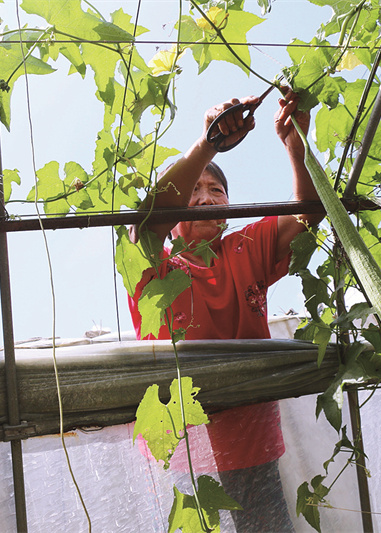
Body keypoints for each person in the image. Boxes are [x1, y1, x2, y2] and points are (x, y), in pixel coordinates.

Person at [129, 88, 323, 532]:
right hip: (178, 437)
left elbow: (308, 216)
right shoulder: (150, 264)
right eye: (192, 189)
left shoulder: (243, 248)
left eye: (217, 190)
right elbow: (149, 220)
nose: (205, 197)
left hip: (248, 428)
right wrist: (207, 144)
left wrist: (297, 147)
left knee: (266, 528)